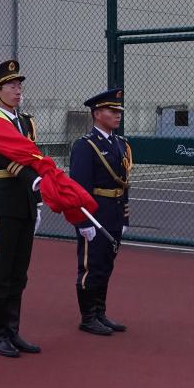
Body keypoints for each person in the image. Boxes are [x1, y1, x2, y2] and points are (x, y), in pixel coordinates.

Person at [0, 59, 43, 358]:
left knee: (20, 271)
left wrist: (38, 200)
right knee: (1, 271)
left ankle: (13, 330)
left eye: (19, 85)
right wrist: (34, 181)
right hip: (6, 201)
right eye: (11, 86)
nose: (18, 90)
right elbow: (2, 160)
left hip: (27, 202)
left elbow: (34, 157)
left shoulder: (26, 121)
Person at [69, 87, 132, 336]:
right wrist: (83, 222)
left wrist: (125, 216)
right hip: (95, 214)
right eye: (111, 110)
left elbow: (124, 184)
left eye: (119, 111)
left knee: (106, 264)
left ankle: (100, 312)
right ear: (97, 114)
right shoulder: (86, 146)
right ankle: (88, 317)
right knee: (91, 265)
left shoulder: (121, 144)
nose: (117, 115)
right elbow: (79, 188)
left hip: (114, 213)